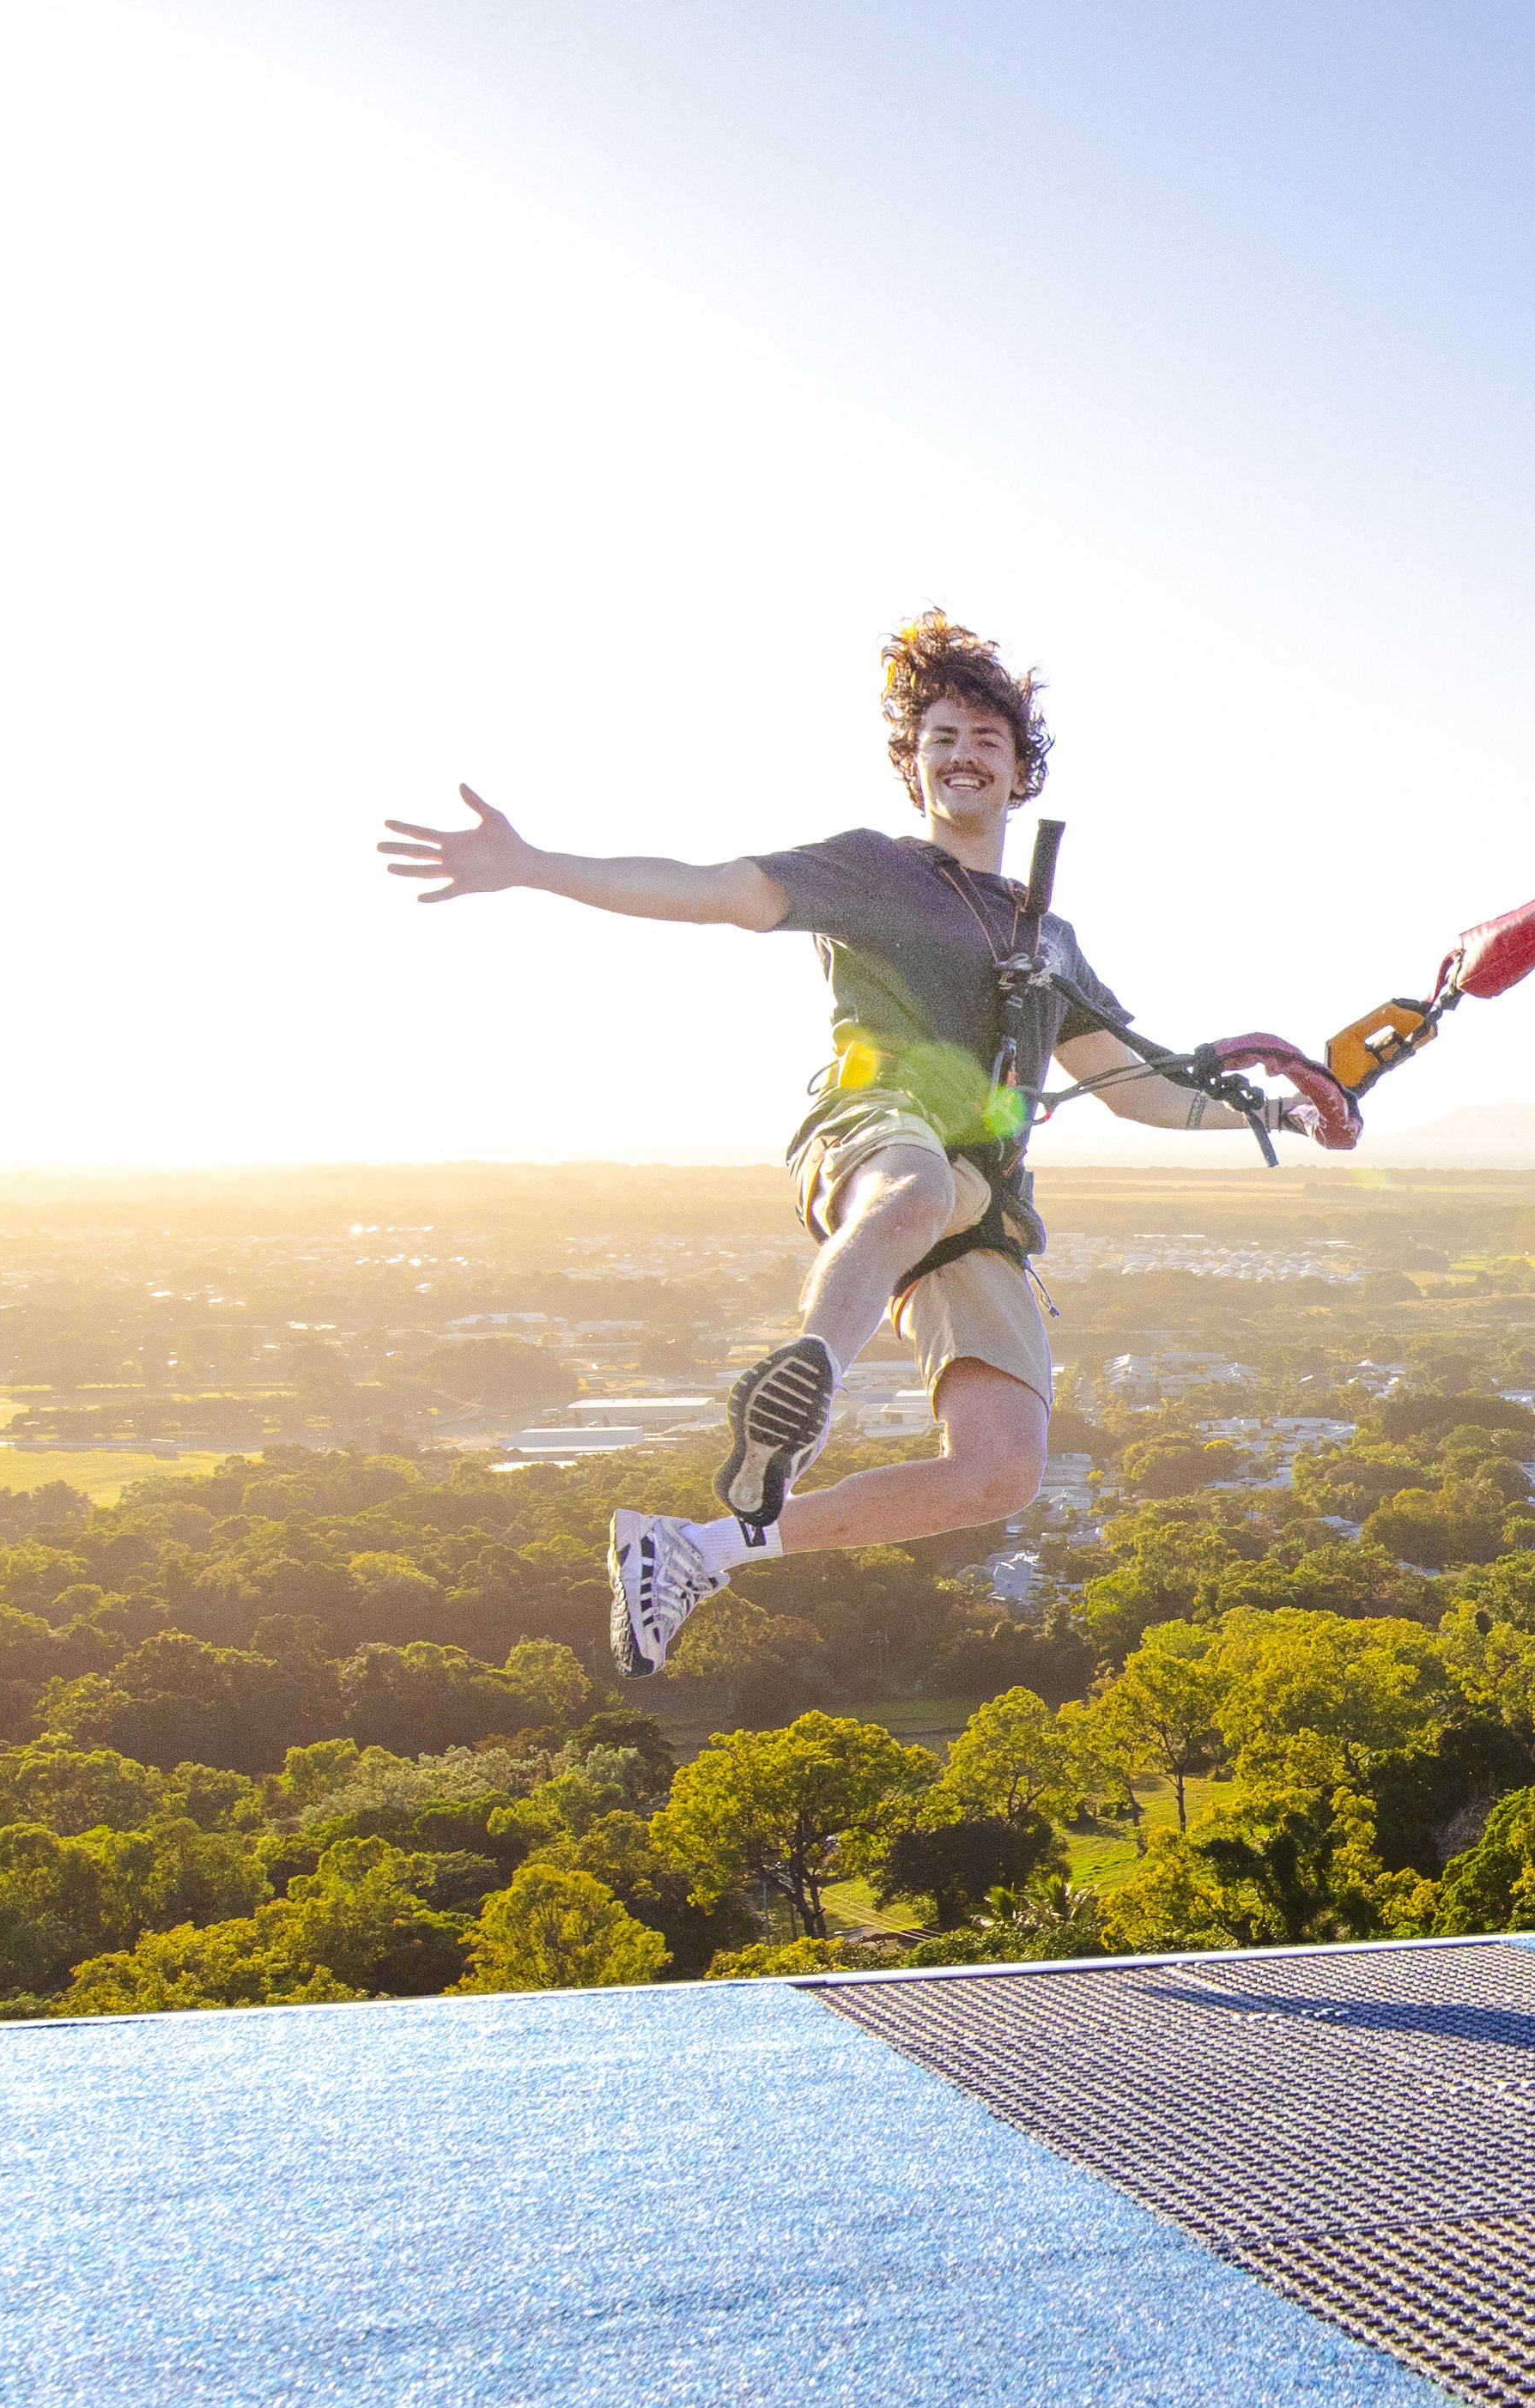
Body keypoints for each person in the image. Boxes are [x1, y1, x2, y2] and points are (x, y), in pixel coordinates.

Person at [379, 612, 1356, 1679]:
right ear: (915, 768)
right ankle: (800, 1396)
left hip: (982, 1199)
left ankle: (695, 1550)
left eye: (985, 737)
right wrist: (534, 864)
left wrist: (1288, 1113)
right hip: (874, 1118)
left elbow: (1144, 1095)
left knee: (1000, 1475)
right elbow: (714, 891)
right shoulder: (875, 872)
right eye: (940, 738)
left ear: (1019, 770)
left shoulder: (1051, 939)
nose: (962, 754)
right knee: (911, 1191)